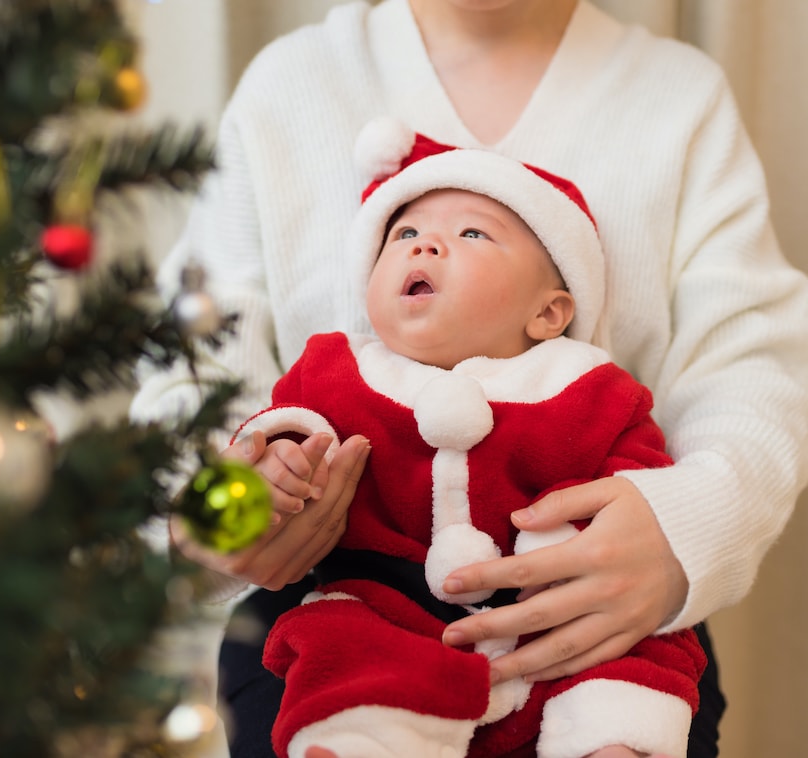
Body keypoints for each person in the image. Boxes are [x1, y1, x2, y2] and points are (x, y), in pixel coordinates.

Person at [131, 1, 808, 756]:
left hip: (605, 609)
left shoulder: (678, 99)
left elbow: (752, 359)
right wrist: (216, 512)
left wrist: (689, 527)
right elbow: (195, 354)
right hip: (331, 615)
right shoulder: (292, 86)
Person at [230, 122, 706, 758]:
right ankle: (362, 740)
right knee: (337, 640)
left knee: (643, 645)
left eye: (471, 233)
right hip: (387, 603)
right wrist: (279, 462)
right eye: (403, 235)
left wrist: (595, 536)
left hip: (557, 601)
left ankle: (611, 739)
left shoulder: (589, 386)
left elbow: (640, 485)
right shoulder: (339, 368)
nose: (425, 245)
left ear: (549, 313)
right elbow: (286, 423)